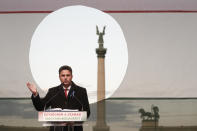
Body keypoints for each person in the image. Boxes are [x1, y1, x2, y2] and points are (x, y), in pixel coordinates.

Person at [27, 65, 90, 131]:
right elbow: (41, 107)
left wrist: (75, 121)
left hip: (75, 129)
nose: (65, 78)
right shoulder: (53, 91)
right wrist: (35, 94)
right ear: (59, 77)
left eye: (68, 75)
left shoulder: (81, 91)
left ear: (72, 76)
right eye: (63, 75)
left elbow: (87, 112)